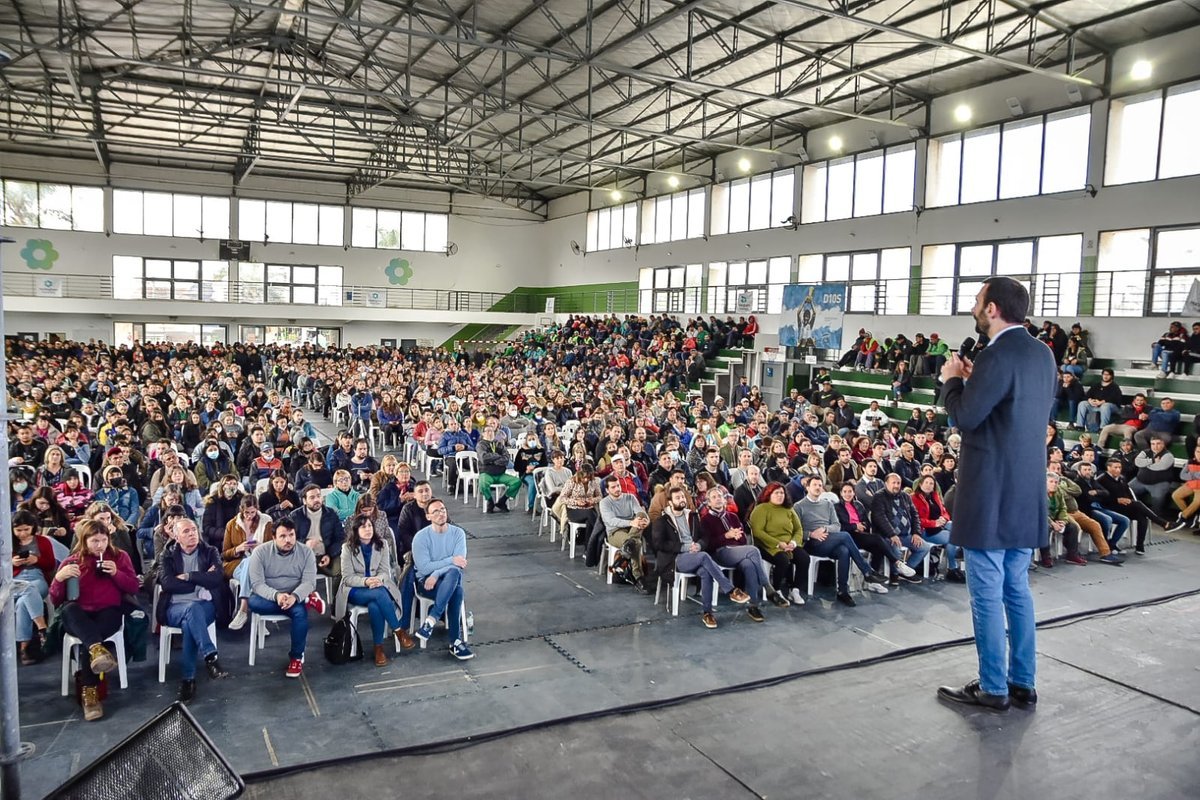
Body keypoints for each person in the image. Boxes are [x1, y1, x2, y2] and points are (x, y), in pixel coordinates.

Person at [937, 276, 1056, 713]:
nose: (973, 306)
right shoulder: (1042, 354)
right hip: (1026, 488)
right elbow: (1014, 409)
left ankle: (992, 687)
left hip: (990, 490)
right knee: (1017, 589)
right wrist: (979, 381)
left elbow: (966, 418)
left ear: (992, 309)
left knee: (986, 592)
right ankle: (1022, 681)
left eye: (977, 300)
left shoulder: (995, 354)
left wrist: (952, 381)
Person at [48, 518, 141, 721]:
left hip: (108, 612)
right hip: (79, 615)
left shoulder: (120, 557)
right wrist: (59, 578)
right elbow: (55, 599)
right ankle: (97, 652)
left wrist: (116, 573)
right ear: (84, 541)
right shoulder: (72, 562)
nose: (100, 545)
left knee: (91, 638)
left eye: (103, 540)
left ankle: (90, 691)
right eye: (94, 541)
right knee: (70, 610)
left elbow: (134, 587)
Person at [652, 487, 753, 627]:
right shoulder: (662, 520)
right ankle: (731, 590)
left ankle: (707, 613)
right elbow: (659, 544)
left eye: (683, 497)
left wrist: (699, 545)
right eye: (678, 498)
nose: (682, 500)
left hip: (695, 554)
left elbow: (704, 537)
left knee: (705, 572)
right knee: (704, 557)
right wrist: (686, 547)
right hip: (674, 559)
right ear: (670, 502)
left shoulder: (692, 516)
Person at [156, 518, 231, 703]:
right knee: (191, 610)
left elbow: (217, 578)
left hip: (205, 606)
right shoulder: (167, 555)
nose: (192, 534)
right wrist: (201, 580)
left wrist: (190, 576)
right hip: (174, 607)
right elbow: (168, 583)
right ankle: (210, 657)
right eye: (186, 531)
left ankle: (188, 680)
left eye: (194, 530)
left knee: (191, 618)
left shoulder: (210, 551)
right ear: (176, 537)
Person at [246, 518, 327, 678]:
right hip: (268, 596)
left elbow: (309, 582)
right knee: (252, 602)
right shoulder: (260, 552)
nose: (288, 540)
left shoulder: (306, 552)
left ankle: (296, 657)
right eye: (282, 536)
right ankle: (307, 600)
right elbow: (257, 584)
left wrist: (295, 596)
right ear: (273, 537)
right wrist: (277, 596)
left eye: (291, 535)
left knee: (300, 613)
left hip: (294, 595)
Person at [793, 477, 890, 606]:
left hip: (830, 539)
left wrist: (825, 528)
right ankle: (867, 571)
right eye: (814, 485)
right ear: (807, 487)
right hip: (811, 543)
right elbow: (796, 531)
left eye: (820, 485)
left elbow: (836, 525)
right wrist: (811, 534)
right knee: (845, 536)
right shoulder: (799, 506)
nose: (817, 487)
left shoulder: (827, 504)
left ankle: (842, 591)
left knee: (844, 551)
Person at [336, 512, 408, 666]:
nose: (368, 529)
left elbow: (385, 571)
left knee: (375, 604)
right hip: (355, 589)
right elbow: (347, 578)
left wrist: (378, 580)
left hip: (377, 585)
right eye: (363, 527)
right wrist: (367, 581)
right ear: (356, 530)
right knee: (380, 594)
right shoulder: (347, 548)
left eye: (370, 526)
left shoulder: (382, 544)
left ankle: (378, 648)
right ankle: (398, 630)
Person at [411, 498, 474, 660]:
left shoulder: (458, 533)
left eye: (443, 509)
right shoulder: (420, 537)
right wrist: (450, 561)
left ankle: (431, 620)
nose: (441, 514)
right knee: (457, 590)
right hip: (426, 582)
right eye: (436, 511)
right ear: (428, 516)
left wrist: (436, 573)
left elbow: (460, 563)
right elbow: (424, 568)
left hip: (446, 578)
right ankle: (455, 642)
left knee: (454, 575)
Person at [747, 482, 809, 605]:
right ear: (769, 494)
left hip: (788, 544)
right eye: (776, 493)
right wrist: (778, 543)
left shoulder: (788, 509)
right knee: (783, 560)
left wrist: (793, 542)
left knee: (804, 558)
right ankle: (776, 590)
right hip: (767, 545)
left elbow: (798, 529)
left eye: (782, 493)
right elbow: (757, 531)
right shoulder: (761, 509)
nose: (780, 495)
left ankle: (795, 590)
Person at [10, 510, 54, 665]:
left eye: (26, 529)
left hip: (37, 577)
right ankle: (42, 628)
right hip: (14, 580)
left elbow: (51, 565)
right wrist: (11, 563)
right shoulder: (7, 542)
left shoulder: (43, 541)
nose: (22, 534)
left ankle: (24, 647)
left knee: (24, 599)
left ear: (33, 527)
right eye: (18, 530)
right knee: (27, 591)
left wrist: (36, 560)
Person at [598, 476, 651, 591]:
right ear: (607, 490)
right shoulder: (604, 503)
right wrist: (631, 522)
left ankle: (624, 555)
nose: (617, 489)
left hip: (633, 529)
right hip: (615, 532)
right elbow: (611, 521)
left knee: (641, 515)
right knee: (636, 543)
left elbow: (640, 513)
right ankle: (638, 576)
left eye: (618, 485)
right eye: (613, 487)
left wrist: (646, 521)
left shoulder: (630, 497)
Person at [910, 474, 964, 582]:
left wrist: (944, 518)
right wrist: (934, 523)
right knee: (952, 538)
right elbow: (917, 520)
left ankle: (954, 565)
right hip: (924, 530)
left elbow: (944, 511)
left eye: (931, 483)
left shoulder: (935, 496)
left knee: (958, 528)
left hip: (939, 525)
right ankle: (953, 568)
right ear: (920, 484)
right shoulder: (914, 498)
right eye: (926, 483)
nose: (929, 485)